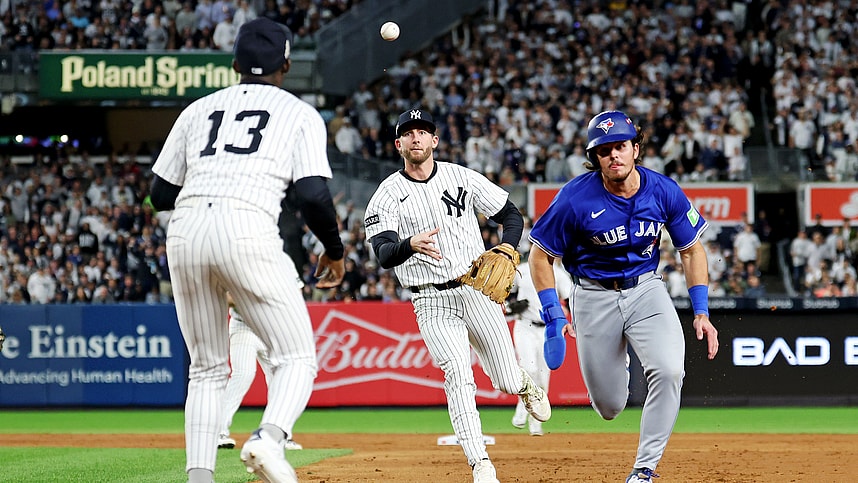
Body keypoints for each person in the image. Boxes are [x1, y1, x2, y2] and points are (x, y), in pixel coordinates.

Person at [149, 18, 345, 483]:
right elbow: (313, 196)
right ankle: (268, 438)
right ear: (287, 64)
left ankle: (200, 476)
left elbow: (159, 194)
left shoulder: (197, 110)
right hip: (247, 225)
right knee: (296, 356)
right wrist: (334, 251)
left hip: (185, 230)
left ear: (234, 64)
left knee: (206, 370)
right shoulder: (298, 112)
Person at [527, 110, 719, 483]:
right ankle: (615, 365)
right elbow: (540, 256)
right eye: (604, 150)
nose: (613, 155)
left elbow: (692, 249)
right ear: (594, 157)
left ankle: (644, 470)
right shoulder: (574, 198)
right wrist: (554, 313)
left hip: (647, 289)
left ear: (635, 148)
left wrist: (701, 312)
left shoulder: (663, 189)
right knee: (610, 406)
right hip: (592, 296)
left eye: (620, 146)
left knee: (669, 370)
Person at [363, 108, 551, 483]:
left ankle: (524, 385)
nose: (416, 138)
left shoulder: (461, 176)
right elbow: (383, 254)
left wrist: (507, 249)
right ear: (398, 144)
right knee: (457, 372)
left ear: (435, 140)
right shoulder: (386, 195)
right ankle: (480, 464)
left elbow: (511, 215)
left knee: (505, 381)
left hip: (475, 288)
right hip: (429, 299)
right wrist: (408, 244)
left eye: (423, 131)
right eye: (409, 133)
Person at [218, 293, 303, 451]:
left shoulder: (281, 268)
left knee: (280, 378)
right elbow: (227, 298)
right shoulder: (238, 268)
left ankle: (280, 434)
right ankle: (218, 432)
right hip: (244, 327)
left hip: (271, 331)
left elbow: (294, 293)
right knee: (244, 374)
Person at [508, 256, 572, 436]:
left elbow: (568, 300)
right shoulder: (521, 270)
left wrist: (564, 312)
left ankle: (536, 422)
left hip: (547, 329)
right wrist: (511, 305)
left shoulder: (558, 274)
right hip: (525, 325)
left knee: (543, 377)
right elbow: (507, 295)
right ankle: (522, 409)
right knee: (529, 368)